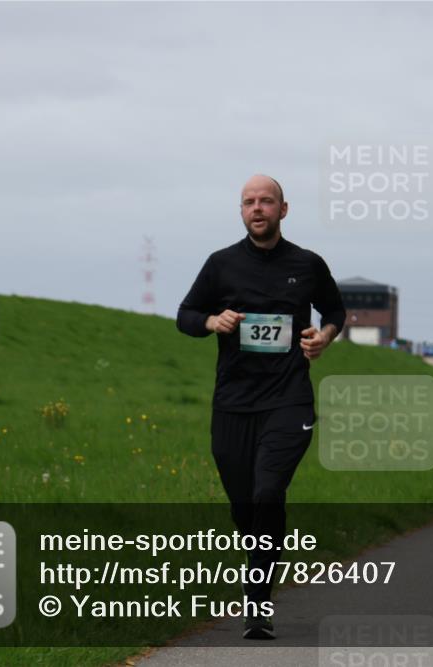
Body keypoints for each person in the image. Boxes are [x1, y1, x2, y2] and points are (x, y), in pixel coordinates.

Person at [176, 175, 345, 638]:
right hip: (233, 403)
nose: (257, 208)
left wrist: (324, 337)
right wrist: (212, 319)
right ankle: (260, 560)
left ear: (283, 210)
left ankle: (257, 604)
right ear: (241, 211)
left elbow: (335, 312)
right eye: (249, 202)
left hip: (288, 399)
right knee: (245, 507)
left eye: (266, 201)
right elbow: (185, 316)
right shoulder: (221, 264)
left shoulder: (308, 264)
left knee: (268, 492)